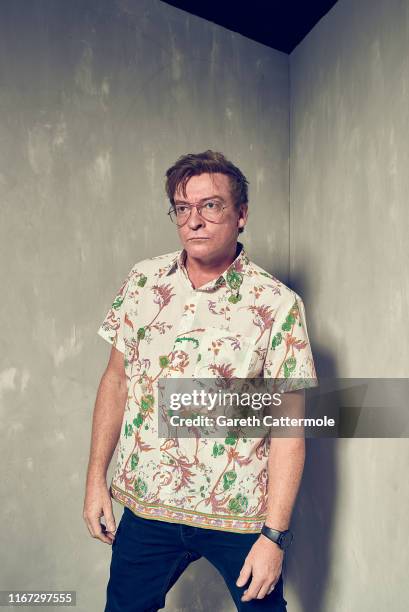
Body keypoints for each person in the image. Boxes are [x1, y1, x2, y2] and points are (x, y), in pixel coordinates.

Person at [83, 150, 318, 611]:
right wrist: (96, 480)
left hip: (240, 516)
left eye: (210, 206)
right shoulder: (143, 282)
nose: (194, 221)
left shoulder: (277, 304)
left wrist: (274, 536)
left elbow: (289, 430)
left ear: (241, 215)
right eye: (183, 208)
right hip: (147, 509)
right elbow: (116, 381)